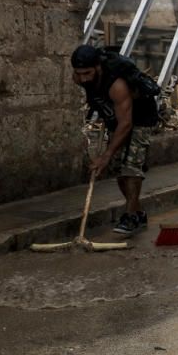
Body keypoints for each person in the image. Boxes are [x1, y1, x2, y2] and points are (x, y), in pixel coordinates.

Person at [71, 45, 158, 236]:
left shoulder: (117, 84)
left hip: (141, 116)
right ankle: (137, 212)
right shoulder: (79, 79)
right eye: (79, 73)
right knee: (118, 168)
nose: (83, 78)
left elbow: (126, 124)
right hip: (115, 116)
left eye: (87, 72)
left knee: (131, 166)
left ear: (98, 67)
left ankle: (130, 216)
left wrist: (105, 155)